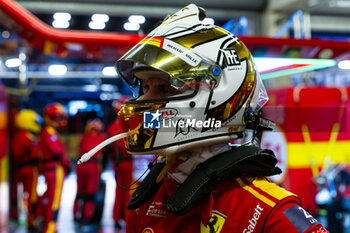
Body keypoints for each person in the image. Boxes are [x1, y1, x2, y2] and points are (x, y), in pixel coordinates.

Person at [113, 4, 329, 233]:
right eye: (145, 87)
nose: (145, 100)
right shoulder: (145, 202)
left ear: (218, 95)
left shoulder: (268, 213)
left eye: (165, 89)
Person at [37, 102, 71, 233]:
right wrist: (66, 165)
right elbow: (57, 153)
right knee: (54, 201)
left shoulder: (48, 132)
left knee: (51, 199)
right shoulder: (49, 132)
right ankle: (50, 228)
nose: (60, 121)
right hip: (54, 169)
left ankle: (49, 226)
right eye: (57, 118)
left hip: (51, 169)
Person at [11, 109, 42, 231]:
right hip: (29, 170)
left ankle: (16, 217)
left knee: (17, 195)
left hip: (18, 169)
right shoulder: (28, 137)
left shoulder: (16, 136)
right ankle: (31, 221)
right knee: (32, 197)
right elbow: (35, 154)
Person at [107, 97, 133, 230]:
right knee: (129, 192)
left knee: (119, 192)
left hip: (117, 163)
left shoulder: (112, 125)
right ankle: (127, 219)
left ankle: (117, 218)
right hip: (128, 163)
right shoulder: (127, 124)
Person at [74, 118, 106, 226]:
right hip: (93, 166)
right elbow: (102, 155)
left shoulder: (83, 137)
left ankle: (76, 215)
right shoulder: (101, 138)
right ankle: (87, 217)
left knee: (79, 192)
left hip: (81, 165)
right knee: (90, 193)